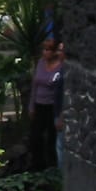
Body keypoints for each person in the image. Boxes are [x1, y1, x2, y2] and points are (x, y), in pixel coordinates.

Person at [29, 38, 65, 171]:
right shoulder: (40, 63)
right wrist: (31, 106)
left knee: (52, 138)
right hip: (39, 105)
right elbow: (35, 85)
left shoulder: (61, 67)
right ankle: (36, 166)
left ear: (55, 52)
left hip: (52, 107)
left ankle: (52, 167)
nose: (45, 53)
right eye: (44, 49)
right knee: (35, 137)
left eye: (48, 50)